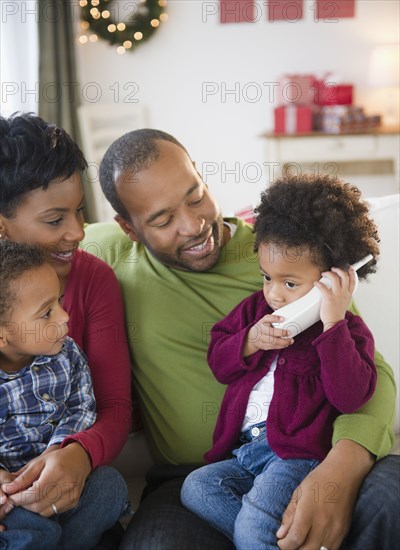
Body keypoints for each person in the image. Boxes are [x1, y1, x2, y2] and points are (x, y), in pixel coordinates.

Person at [82, 128, 398, 550]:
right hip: (205, 473)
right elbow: (35, 232)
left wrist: (342, 469)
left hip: (307, 455)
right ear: (129, 228)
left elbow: (370, 372)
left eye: (195, 196)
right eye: (161, 219)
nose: (194, 225)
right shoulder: (106, 259)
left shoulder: (285, 251)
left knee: (392, 494)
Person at [180, 175, 379, 549]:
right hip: (244, 452)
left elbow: (351, 397)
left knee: (253, 528)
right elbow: (220, 365)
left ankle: (258, 533)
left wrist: (332, 324)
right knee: (197, 488)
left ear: (334, 279)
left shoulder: (347, 331)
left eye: (290, 284)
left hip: (294, 456)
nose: (273, 293)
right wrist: (250, 341)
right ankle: (277, 536)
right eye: (266, 277)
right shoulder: (255, 312)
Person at [0, 113, 132, 546]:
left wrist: (77, 454)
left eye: (79, 211)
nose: (77, 232)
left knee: (107, 491)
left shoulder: (94, 279)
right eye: (55, 220)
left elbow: (113, 404)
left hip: (65, 477)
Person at [0, 240, 129, 549]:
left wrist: (57, 452)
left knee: (111, 486)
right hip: (13, 495)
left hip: (64, 477)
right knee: (26, 529)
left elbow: (80, 407)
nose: (64, 316)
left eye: (59, 301)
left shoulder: (67, 354)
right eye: (46, 313)